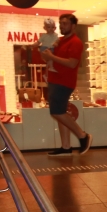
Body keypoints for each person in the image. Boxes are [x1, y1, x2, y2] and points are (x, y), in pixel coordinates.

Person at [41, 13, 92, 157]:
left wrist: (51, 57)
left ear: (73, 26)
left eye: (65, 24)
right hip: (54, 79)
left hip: (64, 81)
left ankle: (83, 136)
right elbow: (48, 56)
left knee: (57, 111)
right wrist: (47, 55)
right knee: (60, 112)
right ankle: (66, 147)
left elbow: (72, 63)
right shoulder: (59, 40)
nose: (62, 26)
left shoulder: (75, 42)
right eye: (61, 23)